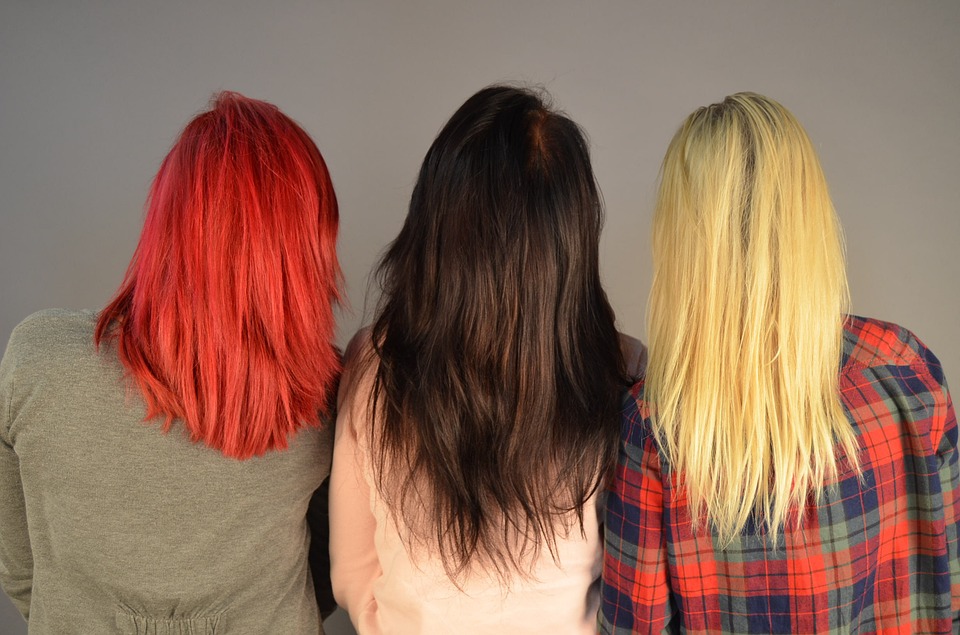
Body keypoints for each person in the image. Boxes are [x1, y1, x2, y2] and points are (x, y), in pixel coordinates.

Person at [601, 92, 958, 634]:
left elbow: (634, 627)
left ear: (682, 240)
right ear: (810, 214)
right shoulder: (908, 371)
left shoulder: (657, 429)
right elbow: (950, 587)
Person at [0, 92, 342, 633]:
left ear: (166, 219)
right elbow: (330, 567)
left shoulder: (41, 361)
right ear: (306, 245)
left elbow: (21, 569)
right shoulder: (327, 392)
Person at [329, 85, 645, 634]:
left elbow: (352, 573)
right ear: (572, 240)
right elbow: (632, 574)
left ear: (435, 226)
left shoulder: (373, 364)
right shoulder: (623, 368)